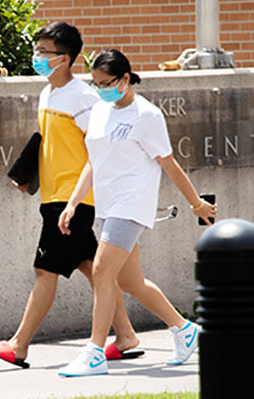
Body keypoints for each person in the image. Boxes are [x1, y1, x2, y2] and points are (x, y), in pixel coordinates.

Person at [0, 23, 142, 369]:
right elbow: (52, 142)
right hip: (54, 197)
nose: (37, 57)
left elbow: (98, 147)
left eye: (44, 52)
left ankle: (19, 345)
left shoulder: (83, 97)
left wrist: (76, 199)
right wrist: (28, 175)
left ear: (65, 59)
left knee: (45, 271)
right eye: (37, 50)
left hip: (71, 201)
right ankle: (125, 335)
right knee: (93, 269)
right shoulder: (48, 93)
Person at [56, 49, 217, 377]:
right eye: (95, 83)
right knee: (131, 282)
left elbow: (168, 162)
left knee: (101, 272)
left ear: (126, 78)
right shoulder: (100, 111)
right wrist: (73, 203)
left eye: (106, 82)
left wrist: (195, 203)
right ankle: (185, 330)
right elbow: (92, 162)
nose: (100, 89)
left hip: (130, 206)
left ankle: (94, 352)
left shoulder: (147, 116)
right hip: (107, 204)